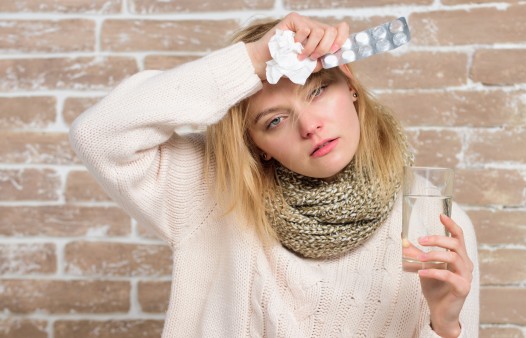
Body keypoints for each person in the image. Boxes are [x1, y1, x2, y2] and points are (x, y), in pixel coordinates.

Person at [70, 12, 479, 338]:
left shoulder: (434, 218)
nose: (309, 126)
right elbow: (98, 134)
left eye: (316, 91)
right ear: (256, 147)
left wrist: (445, 327)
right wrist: (254, 58)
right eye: (275, 120)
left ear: (349, 82)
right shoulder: (211, 189)